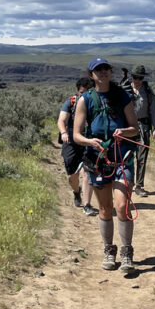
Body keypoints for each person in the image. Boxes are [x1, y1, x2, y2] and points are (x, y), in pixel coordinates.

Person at [73, 57, 140, 276]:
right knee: (104, 208)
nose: (103, 72)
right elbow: (76, 134)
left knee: (121, 205)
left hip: (122, 157)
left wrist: (124, 132)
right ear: (91, 75)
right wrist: (90, 142)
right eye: (98, 70)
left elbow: (135, 128)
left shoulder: (122, 96)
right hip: (98, 159)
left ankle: (127, 252)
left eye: (106, 69)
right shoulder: (85, 100)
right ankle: (108, 250)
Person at [57, 76, 98, 217]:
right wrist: (63, 132)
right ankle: (76, 191)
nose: (84, 97)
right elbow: (61, 119)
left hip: (88, 142)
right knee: (71, 176)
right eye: (82, 93)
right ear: (77, 92)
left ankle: (87, 205)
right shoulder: (71, 102)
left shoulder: (95, 104)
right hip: (72, 142)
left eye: (87, 93)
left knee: (87, 172)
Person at [128, 65, 155, 197]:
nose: (138, 80)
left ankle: (139, 186)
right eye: (135, 77)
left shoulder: (147, 91)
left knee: (141, 158)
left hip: (143, 127)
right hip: (128, 127)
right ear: (132, 77)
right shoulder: (125, 90)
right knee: (127, 156)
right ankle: (127, 183)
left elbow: (153, 110)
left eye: (140, 77)